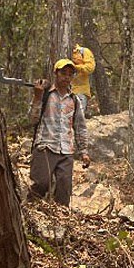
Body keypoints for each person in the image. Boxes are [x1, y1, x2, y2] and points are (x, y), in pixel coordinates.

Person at [29, 58, 89, 207]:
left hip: (66, 151)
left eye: (70, 74)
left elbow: (80, 126)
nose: (66, 77)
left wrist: (84, 152)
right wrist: (37, 97)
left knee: (64, 191)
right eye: (63, 73)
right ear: (56, 73)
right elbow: (31, 119)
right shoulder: (45, 94)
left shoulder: (74, 100)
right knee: (40, 184)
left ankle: (60, 223)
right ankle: (27, 213)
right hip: (45, 146)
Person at [70, 44, 97, 115]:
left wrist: (76, 67)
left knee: (79, 116)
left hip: (80, 91)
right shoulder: (63, 50)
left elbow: (90, 68)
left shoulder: (84, 51)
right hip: (65, 91)